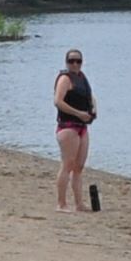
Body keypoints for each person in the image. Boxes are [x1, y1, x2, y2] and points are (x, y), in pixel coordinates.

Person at [53, 47, 98, 210]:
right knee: (67, 164)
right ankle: (61, 203)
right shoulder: (65, 79)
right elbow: (58, 101)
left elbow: (89, 96)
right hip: (68, 126)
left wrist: (93, 108)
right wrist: (78, 113)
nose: (75, 64)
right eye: (71, 61)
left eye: (78, 61)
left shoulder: (82, 78)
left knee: (79, 166)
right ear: (67, 62)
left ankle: (79, 203)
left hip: (82, 126)